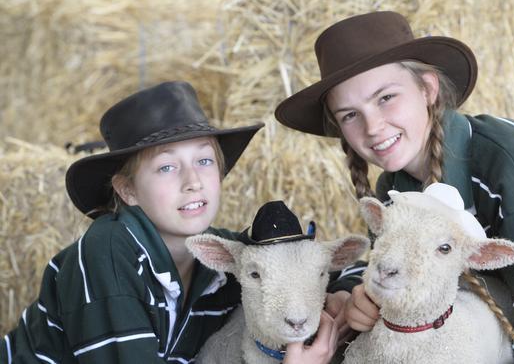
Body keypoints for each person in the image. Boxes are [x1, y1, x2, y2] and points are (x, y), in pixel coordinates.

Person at [274, 11, 514, 364]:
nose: (372, 128)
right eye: (350, 115)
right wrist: (357, 292)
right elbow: (398, 268)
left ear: (427, 88)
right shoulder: (400, 185)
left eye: (386, 98)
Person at [0, 81, 339, 363]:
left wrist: (344, 293)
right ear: (128, 190)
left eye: (204, 160)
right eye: (166, 167)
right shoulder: (109, 250)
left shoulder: (218, 255)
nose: (193, 181)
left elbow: (305, 266)